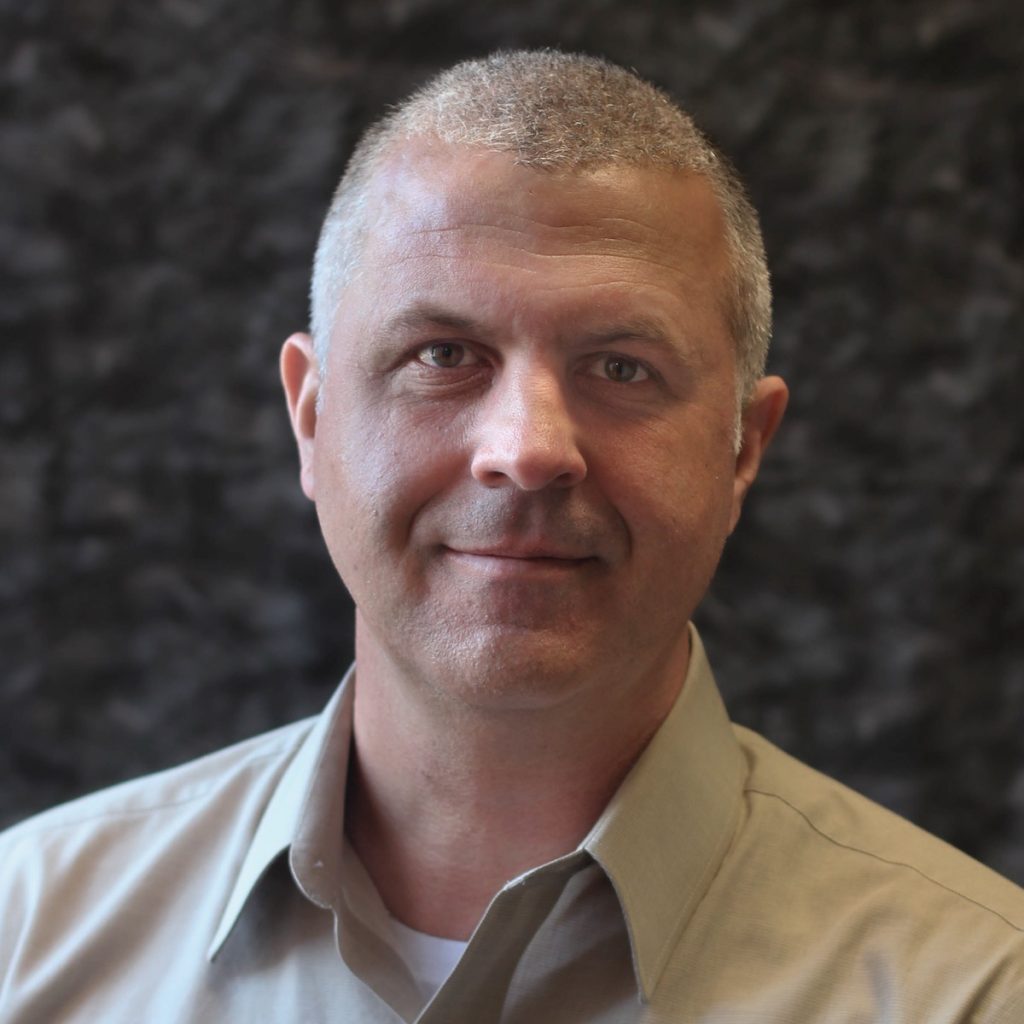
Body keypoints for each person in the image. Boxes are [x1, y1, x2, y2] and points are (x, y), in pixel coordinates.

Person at [1, 49, 1022, 1024]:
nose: (528, 450)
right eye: (443, 355)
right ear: (311, 418)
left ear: (742, 446)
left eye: (621, 367)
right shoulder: (24, 938)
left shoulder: (977, 992)